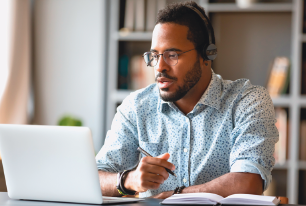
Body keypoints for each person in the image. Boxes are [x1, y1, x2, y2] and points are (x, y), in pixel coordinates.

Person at [95, 1, 278, 199]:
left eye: (172, 55)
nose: (159, 67)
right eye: (154, 56)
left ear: (207, 54)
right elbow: (94, 177)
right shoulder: (136, 106)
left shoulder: (247, 101)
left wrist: (176, 196)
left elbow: (248, 183)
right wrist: (129, 180)